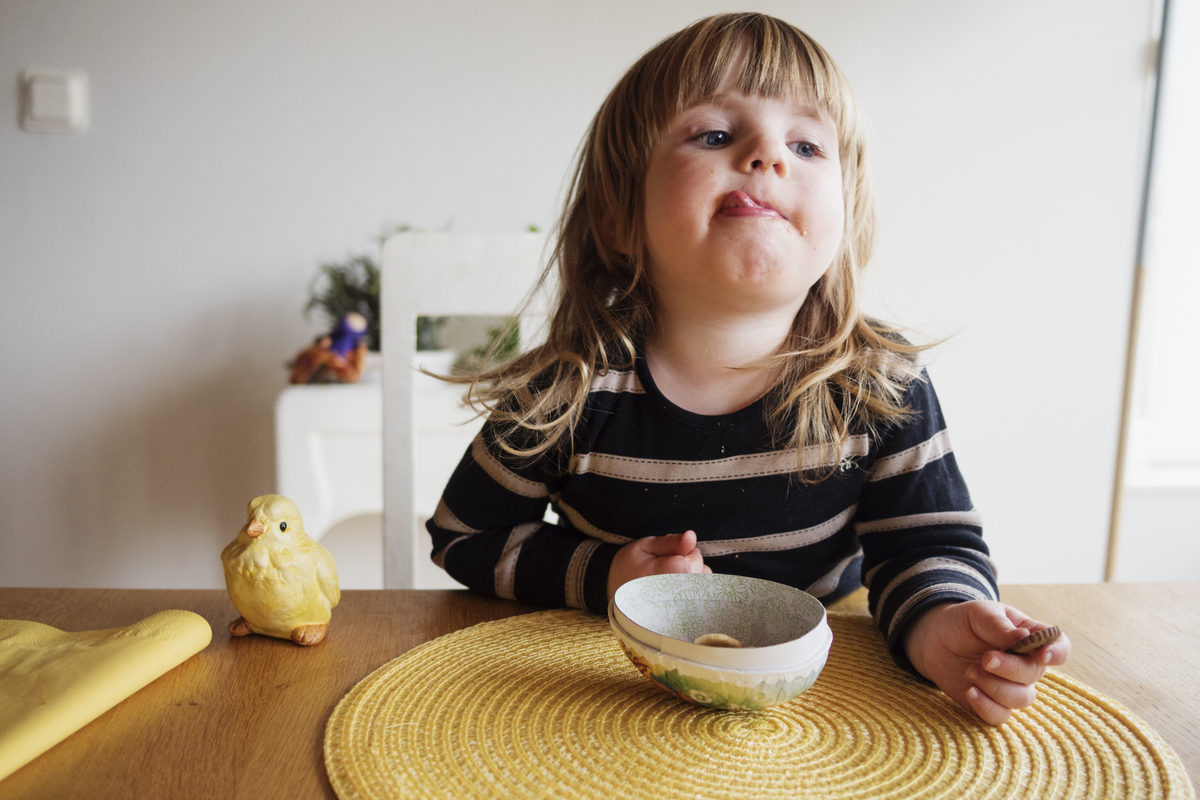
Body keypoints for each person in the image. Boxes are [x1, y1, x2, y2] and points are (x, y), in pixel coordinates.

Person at [427, 12, 1069, 726]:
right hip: (604, 696)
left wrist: (942, 625)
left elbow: (927, 547)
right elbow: (465, 537)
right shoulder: (566, 392)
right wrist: (604, 575)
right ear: (617, 216)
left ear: (844, 218)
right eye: (714, 135)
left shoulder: (882, 386)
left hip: (831, 701)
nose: (767, 156)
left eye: (806, 145)